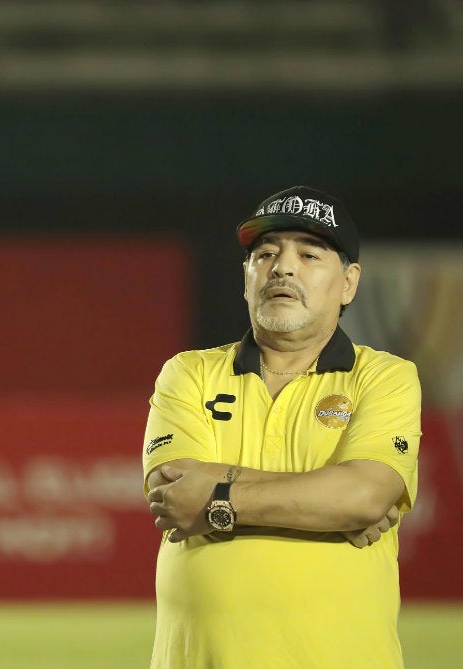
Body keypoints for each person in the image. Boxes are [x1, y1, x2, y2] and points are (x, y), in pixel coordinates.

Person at [144, 186, 421, 669]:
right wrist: (329, 498)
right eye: (265, 254)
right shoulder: (187, 372)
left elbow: (364, 496)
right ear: (246, 278)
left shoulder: (385, 376)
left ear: (350, 283)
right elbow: (176, 491)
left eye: (309, 254)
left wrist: (218, 500)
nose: (282, 267)